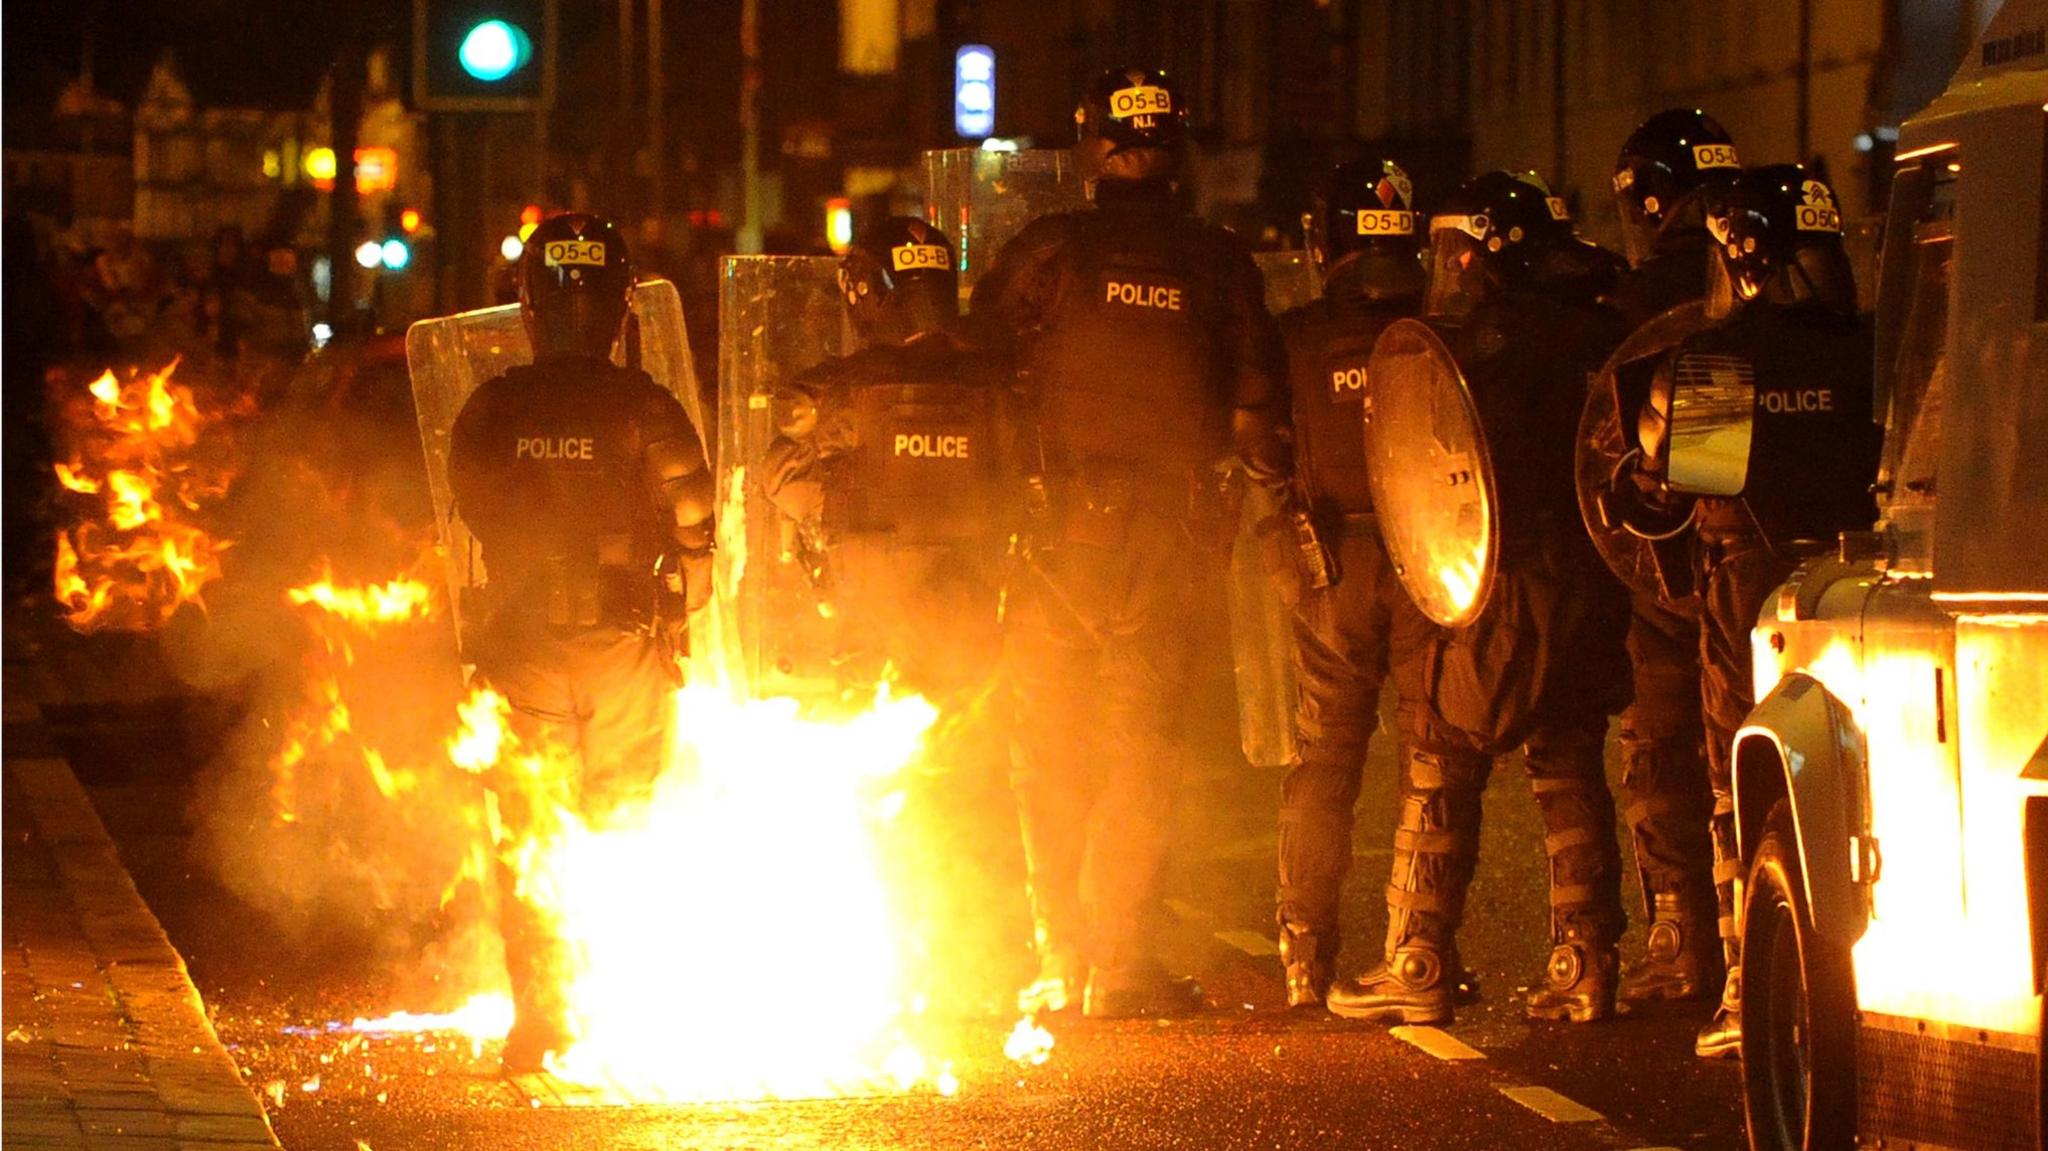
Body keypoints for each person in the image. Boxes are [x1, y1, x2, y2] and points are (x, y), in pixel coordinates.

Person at [972, 66, 1288, 1019]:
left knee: (1048, 742)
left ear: (1093, 149)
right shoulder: (1217, 261)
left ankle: (1056, 957)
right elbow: (1258, 411)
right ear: (1174, 152)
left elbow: (975, 362)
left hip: (1052, 534)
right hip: (1168, 538)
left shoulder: (1049, 251)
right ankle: (1121, 964)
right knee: (1142, 747)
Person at [1325, 172, 1633, 1026]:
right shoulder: (1603, 333)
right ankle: (1586, 961)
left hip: (1502, 578)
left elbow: (1445, 467)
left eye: (1453, 252)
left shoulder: (1481, 344)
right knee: (1569, 761)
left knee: (1439, 742)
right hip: (1595, 579)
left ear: (1483, 252)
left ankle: (1416, 957)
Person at [446, 212, 715, 1071]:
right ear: (620, 308)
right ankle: (626, 1011)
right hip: (625, 646)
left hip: (522, 647)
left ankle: (541, 1023)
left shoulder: (490, 409)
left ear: (529, 307)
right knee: (625, 825)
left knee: (529, 828)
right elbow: (696, 521)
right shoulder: (647, 404)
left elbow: (471, 509)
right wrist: (681, 595)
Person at [1637, 165, 1878, 1058]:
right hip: (1863, 589)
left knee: (1738, 785)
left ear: (1742, 255)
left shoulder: (1719, 357)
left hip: (1749, 591)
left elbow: (1682, 482)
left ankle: (1751, 981)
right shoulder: (1871, 346)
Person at [1267, 158, 1441, 1010]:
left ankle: (1305, 953)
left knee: (1325, 757)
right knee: (1431, 755)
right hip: (1432, 562)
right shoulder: (1440, 328)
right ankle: (1417, 951)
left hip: (1332, 562)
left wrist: (1283, 541)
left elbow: (1260, 448)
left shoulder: (1298, 337)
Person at [1604, 109, 1744, 1004]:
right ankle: (1758, 953)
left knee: (1660, 744)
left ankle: (1683, 940)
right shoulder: (1773, 285)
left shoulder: (1628, 302)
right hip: (1767, 551)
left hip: (1660, 560)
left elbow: (1597, 445)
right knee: (1749, 750)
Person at [758, 217, 1011, 702]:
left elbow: (781, 473)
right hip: (972, 602)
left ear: (865, 295)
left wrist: (827, 514)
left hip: (872, 613)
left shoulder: (848, 388)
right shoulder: (994, 383)